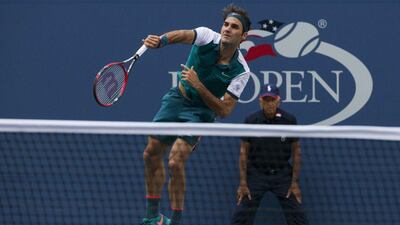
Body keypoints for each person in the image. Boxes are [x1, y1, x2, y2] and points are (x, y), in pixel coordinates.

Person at [140, 4, 252, 225]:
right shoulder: (207, 36)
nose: (227, 29)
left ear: (244, 36)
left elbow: (225, 110)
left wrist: (199, 86)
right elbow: (182, 35)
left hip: (201, 113)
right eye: (226, 24)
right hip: (177, 99)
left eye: (234, 27)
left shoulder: (242, 71)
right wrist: (161, 40)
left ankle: (177, 221)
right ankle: (153, 217)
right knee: (150, 153)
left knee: (175, 162)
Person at [230, 84, 308, 225]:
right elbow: (243, 153)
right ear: (260, 101)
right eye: (266, 100)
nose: (269, 103)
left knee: (299, 217)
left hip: (282, 175)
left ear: (278, 101)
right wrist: (243, 183)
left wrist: (294, 183)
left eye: (272, 100)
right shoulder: (251, 121)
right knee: (240, 217)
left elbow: (296, 152)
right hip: (256, 174)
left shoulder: (289, 121)